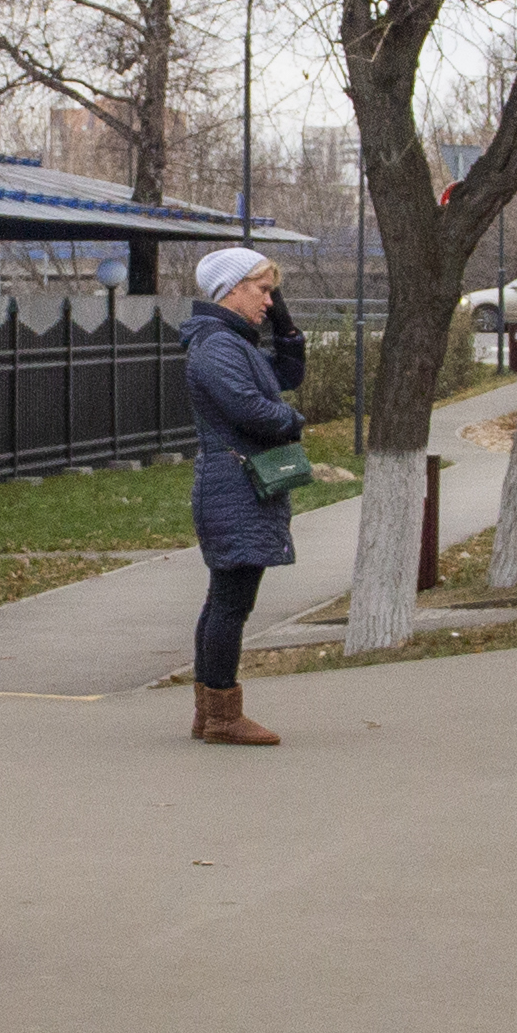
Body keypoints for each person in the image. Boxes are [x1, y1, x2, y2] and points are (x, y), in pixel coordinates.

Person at [183, 243, 306, 746]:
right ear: (231, 289)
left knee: (224, 601)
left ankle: (209, 713)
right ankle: (223, 717)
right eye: (262, 290)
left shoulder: (234, 341)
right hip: (234, 488)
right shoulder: (217, 346)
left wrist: (287, 328)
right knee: (231, 604)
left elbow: (285, 377)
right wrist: (293, 422)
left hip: (235, 487)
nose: (269, 301)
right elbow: (252, 410)